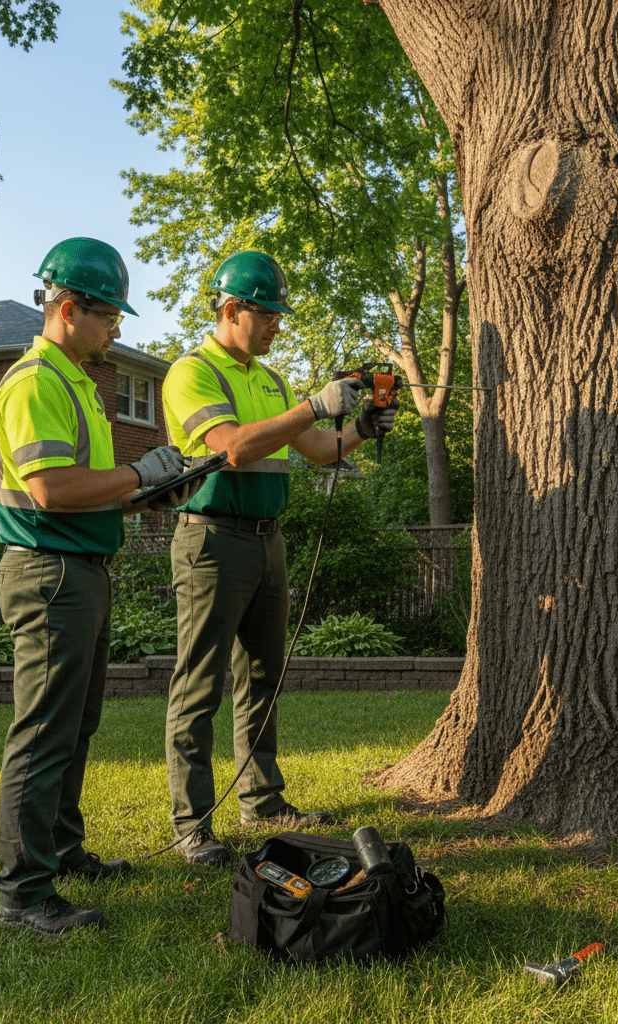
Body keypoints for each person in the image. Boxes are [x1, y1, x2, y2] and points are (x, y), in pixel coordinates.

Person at [0, 237, 202, 934]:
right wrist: (141, 473)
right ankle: (24, 896)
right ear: (69, 307)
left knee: (75, 725)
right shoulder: (36, 383)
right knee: (44, 731)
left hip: (80, 568)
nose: (118, 328)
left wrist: (156, 493)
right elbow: (51, 490)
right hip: (50, 573)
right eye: (110, 314)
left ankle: (62, 852)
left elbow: (90, 493)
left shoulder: (77, 380)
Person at [161, 250, 397, 866]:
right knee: (199, 684)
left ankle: (262, 801)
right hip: (211, 540)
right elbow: (233, 449)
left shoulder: (270, 381)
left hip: (268, 540)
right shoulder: (192, 373)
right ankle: (192, 825)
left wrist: (363, 428)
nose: (275, 327)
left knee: (264, 676)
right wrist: (313, 405)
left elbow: (319, 448)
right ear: (233, 309)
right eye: (267, 315)